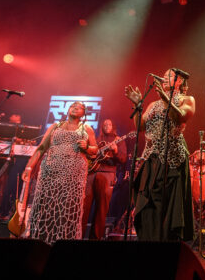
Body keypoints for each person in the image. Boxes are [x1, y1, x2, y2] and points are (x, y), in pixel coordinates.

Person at [124, 69, 195, 241]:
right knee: (148, 205)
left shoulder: (186, 99)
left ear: (179, 82)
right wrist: (138, 105)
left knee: (167, 205)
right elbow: (140, 127)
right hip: (151, 157)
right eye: (164, 75)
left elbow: (181, 117)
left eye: (170, 76)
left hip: (172, 158)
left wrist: (164, 97)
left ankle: (168, 245)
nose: (164, 78)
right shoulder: (153, 105)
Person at [22, 101, 98, 244]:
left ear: (84, 113)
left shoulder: (86, 128)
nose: (75, 108)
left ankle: (64, 242)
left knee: (67, 208)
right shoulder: (55, 126)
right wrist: (29, 167)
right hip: (50, 171)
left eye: (80, 107)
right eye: (73, 106)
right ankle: (40, 241)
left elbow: (95, 151)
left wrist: (87, 147)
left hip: (73, 174)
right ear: (68, 110)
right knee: (46, 205)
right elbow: (41, 148)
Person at [82, 119, 127, 240]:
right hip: (91, 174)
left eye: (109, 124)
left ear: (113, 127)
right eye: (105, 124)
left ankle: (95, 239)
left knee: (101, 209)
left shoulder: (118, 140)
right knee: (84, 207)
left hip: (107, 174)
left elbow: (123, 159)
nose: (107, 126)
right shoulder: (96, 139)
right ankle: (78, 236)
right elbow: (89, 153)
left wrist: (116, 150)